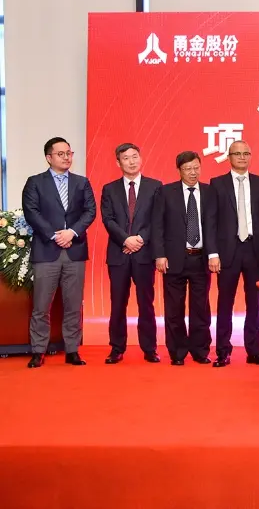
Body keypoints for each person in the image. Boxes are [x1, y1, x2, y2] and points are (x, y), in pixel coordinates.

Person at [22, 137, 96, 368]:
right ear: (49, 157)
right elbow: (31, 212)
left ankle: (72, 350)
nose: (66, 157)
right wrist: (55, 235)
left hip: (75, 250)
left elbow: (90, 211)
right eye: (61, 154)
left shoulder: (82, 182)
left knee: (73, 305)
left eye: (69, 153)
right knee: (41, 306)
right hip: (47, 250)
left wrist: (71, 232)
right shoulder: (35, 182)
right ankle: (38, 350)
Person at [206, 141, 259, 368]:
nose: (242, 157)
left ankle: (254, 351)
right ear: (229, 157)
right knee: (225, 302)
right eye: (237, 154)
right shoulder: (217, 184)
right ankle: (223, 351)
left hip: (254, 250)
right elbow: (210, 222)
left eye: (246, 153)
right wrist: (212, 253)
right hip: (227, 251)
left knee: (255, 303)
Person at [100, 143, 162, 364]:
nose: (131, 161)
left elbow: (157, 218)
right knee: (118, 303)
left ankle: (149, 348)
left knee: (146, 302)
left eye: (135, 156)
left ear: (141, 158)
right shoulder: (109, 189)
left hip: (144, 254)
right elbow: (108, 219)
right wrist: (125, 239)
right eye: (126, 158)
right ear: (118, 163)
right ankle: (117, 348)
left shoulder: (155, 186)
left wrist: (140, 239)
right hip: (118, 254)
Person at [152, 151, 215, 366]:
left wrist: (214, 254)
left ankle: (200, 350)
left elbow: (214, 226)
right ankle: (177, 352)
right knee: (174, 309)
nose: (193, 173)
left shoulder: (209, 192)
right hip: (173, 259)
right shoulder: (166, 192)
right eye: (188, 169)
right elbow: (157, 226)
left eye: (196, 168)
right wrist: (159, 255)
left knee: (201, 308)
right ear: (179, 170)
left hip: (200, 259)